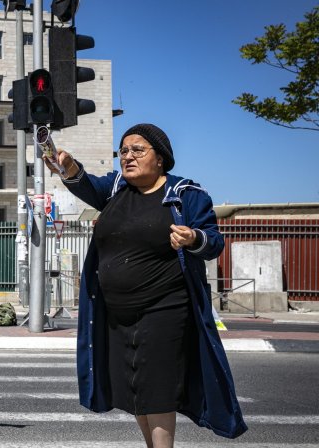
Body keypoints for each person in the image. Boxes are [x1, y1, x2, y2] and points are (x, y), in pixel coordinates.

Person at [44, 123, 247, 447]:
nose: (128, 156)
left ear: (161, 158)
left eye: (138, 150)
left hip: (165, 309)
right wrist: (68, 166)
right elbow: (86, 184)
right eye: (123, 151)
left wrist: (194, 238)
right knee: (134, 388)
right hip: (116, 315)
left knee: (157, 389)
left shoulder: (185, 196)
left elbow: (214, 242)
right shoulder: (115, 189)